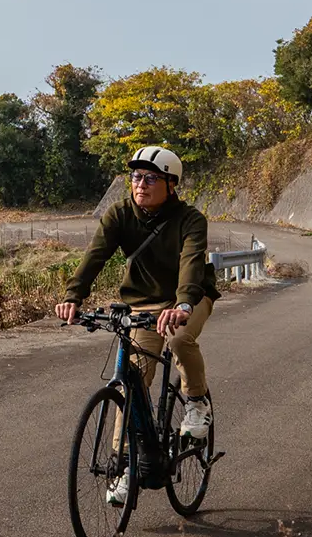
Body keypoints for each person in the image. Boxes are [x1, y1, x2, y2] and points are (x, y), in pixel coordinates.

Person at [55, 145, 221, 506]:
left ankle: (195, 403)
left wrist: (183, 303)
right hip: (142, 304)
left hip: (188, 298)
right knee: (132, 384)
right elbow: (94, 256)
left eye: (150, 178)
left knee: (178, 340)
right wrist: (73, 296)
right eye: (135, 177)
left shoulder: (190, 219)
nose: (140, 184)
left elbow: (192, 262)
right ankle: (126, 466)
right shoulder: (119, 214)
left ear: (171, 184)